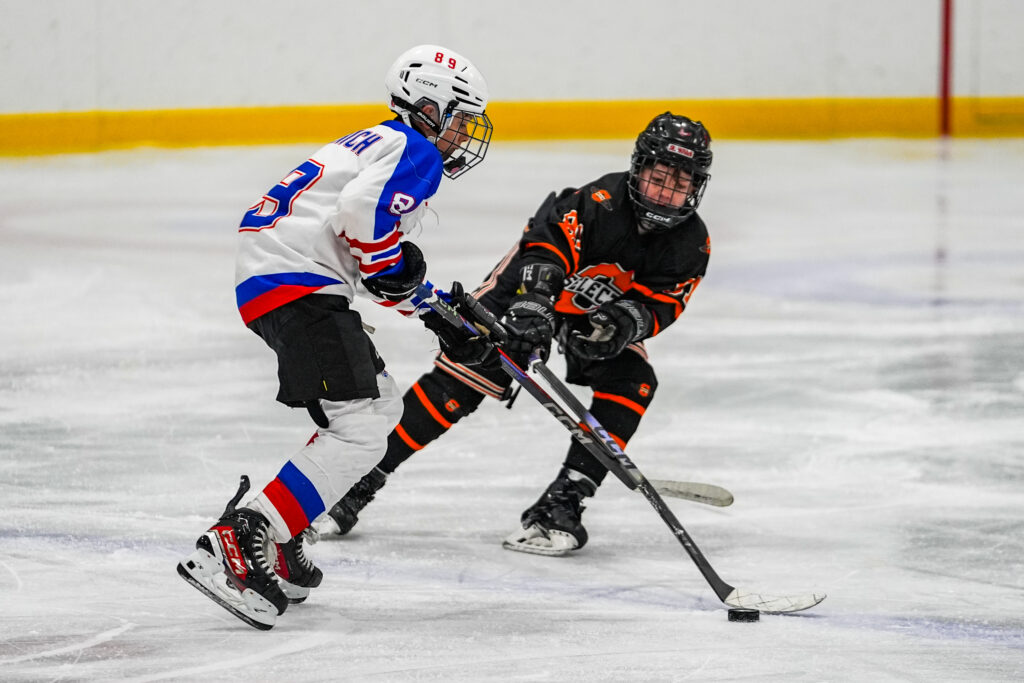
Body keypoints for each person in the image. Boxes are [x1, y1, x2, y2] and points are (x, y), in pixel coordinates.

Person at [176, 44, 494, 630]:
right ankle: (246, 535)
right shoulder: (416, 149)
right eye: (461, 119)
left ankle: (279, 528)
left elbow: (360, 247)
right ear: (430, 108)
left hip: (282, 278)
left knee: (375, 409)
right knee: (365, 422)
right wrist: (398, 277)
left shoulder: (377, 140)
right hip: (295, 282)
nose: (463, 136)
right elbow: (361, 217)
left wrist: (431, 307)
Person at [312, 112, 713, 557]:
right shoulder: (598, 202)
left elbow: (665, 302)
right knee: (465, 376)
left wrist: (623, 324)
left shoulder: (691, 243)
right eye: (660, 179)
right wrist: (533, 306)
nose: (666, 194)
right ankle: (359, 484)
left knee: (633, 382)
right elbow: (544, 248)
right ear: (639, 170)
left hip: (593, 311)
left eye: (680, 185)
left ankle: (562, 504)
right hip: (527, 288)